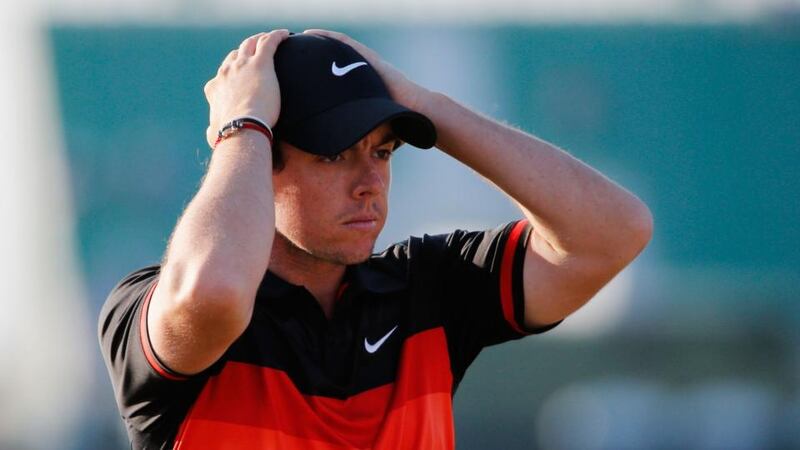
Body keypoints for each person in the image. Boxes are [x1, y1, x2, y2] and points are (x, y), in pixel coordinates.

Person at [99, 29, 653, 449]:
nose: (370, 184)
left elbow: (612, 233)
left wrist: (421, 104)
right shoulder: (150, 304)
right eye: (335, 154)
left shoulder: (426, 289)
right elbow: (214, 292)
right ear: (262, 160)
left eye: (383, 151)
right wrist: (241, 127)